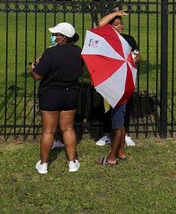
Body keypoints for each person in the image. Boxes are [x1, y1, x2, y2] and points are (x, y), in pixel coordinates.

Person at [31, 22, 83, 174]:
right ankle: (72, 163)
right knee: (68, 128)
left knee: (48, 131)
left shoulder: (50, 52)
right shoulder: (79, 52)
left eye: (56, 35)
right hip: (70, 94)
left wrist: (33, 67)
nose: (54, 37)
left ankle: (44, 164)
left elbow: (37, 75)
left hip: (50, 94)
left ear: (64, 37)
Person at [95, 9, 140, 165]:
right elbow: (100, 24)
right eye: (116, 24)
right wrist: (115, 13)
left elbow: (138, 55)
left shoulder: (129, 39)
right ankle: (120, 151)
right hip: (110, 81)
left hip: (123, 82)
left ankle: (112, 157)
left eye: (121, 23)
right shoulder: (107, 38)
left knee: (118, 122)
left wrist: (132, 58)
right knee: (114, 115)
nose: (120, 26)